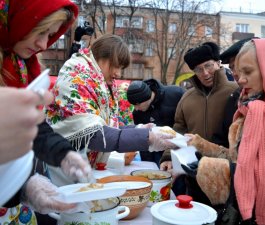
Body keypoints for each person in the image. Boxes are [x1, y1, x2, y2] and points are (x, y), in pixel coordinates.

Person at [188, 39, 265, 224]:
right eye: (238, 72)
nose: (240, 79)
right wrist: (199, 145)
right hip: (247, 214)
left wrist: (217, 173)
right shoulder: (254, 104)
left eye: (247, 72)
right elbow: (237, 157)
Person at [0, 0, 93, 223]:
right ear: (16, 18)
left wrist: (63, 154)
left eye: (50, 35)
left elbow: (34, 128)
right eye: (40, 31)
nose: (43, 44)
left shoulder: (20, 65)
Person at [45, 34, 177, 186]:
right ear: (102, 57)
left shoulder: (97, 80)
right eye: (116, 66)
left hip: (79, 169)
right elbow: (94, 135)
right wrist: (147, 138)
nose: (118, 73)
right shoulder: (75, 78)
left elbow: (107, 128)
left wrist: (139, 129)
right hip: (61, 172)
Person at [159, 42, 237, 201]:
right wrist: (168, 156)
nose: (205, 73)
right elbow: (179, 130)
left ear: (218, 63)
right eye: (198, 69)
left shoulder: (236, 92)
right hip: (194, 176)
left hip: (228, 173)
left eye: (208, 66)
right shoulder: (187, 97)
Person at [126, 79, 184, 166]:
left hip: (181, 146)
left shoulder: (176, 94)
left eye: (137, 104)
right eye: (133, 105)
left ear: (146, 97)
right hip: (157, 151)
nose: (136, 108)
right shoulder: (138, 113)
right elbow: (144, 141)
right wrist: (148, 165)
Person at [211, 38, 253, 147]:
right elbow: (222, 139)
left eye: (238, 66)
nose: (234, 73)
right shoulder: (235, 97)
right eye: (231, 68)